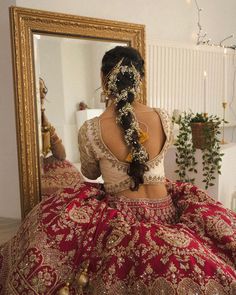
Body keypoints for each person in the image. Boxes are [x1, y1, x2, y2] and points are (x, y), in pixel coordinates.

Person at [0, 46, 236, 295]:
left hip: (119, 215)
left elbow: (90, 174)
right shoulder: (164, 118)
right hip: (168, 208)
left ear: (104, 80)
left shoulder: (91, 129)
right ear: (140, 79)